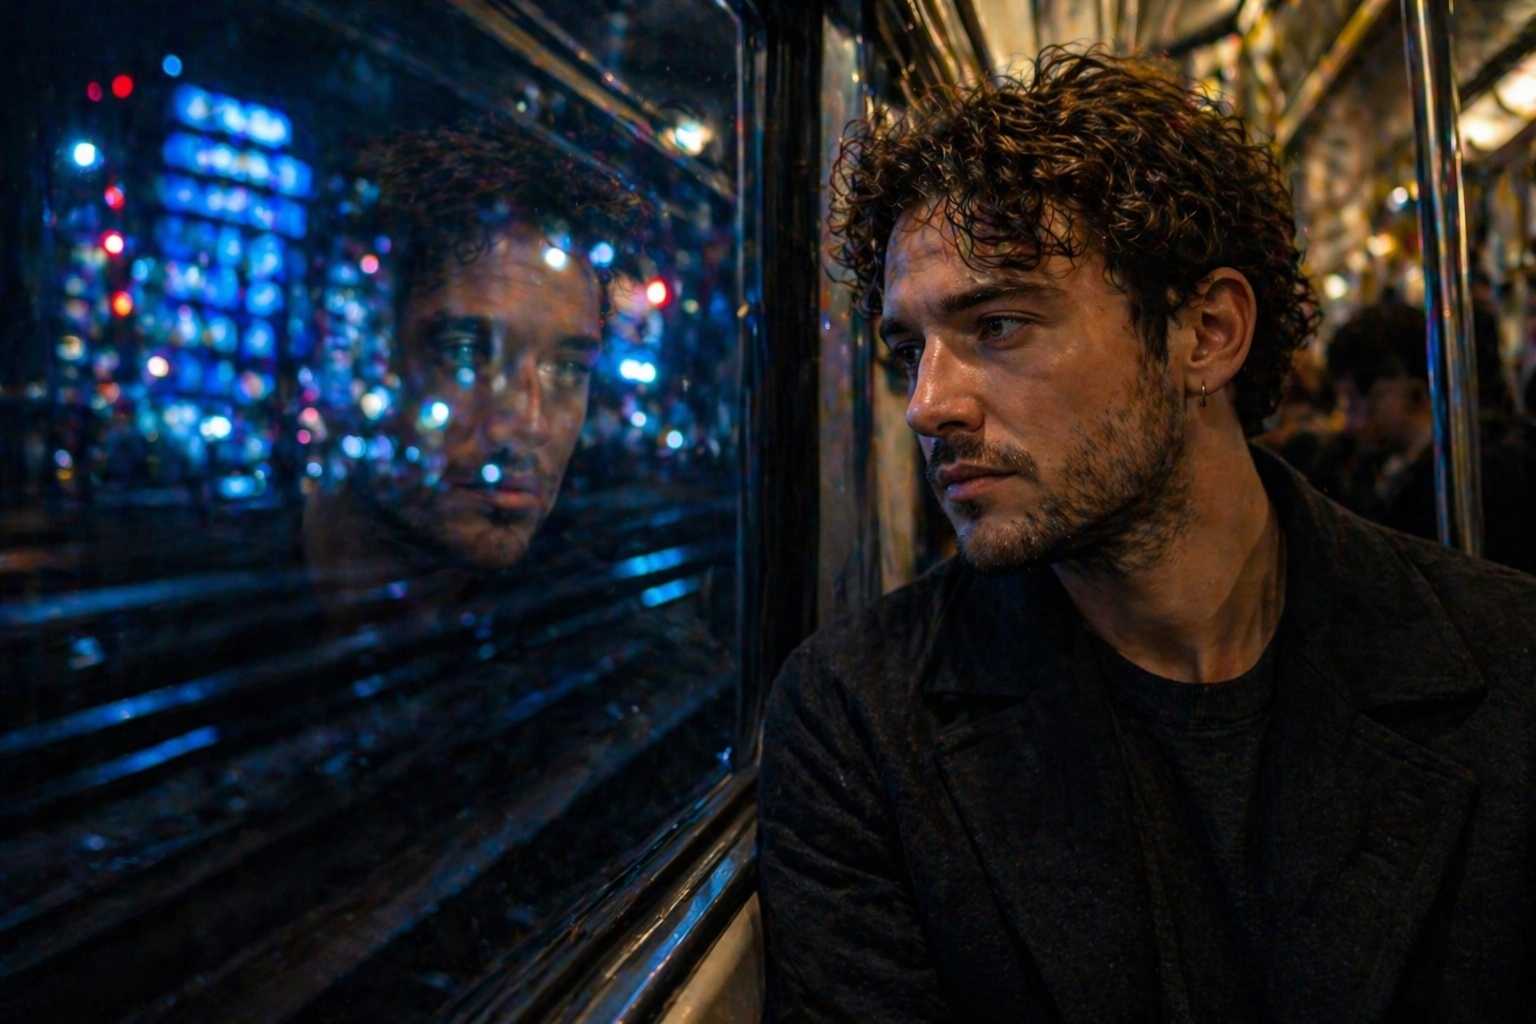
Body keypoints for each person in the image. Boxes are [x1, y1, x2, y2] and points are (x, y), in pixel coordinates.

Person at [758, 47, 1536, 1022]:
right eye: (908, 349)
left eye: (997, 325)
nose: (927, 404)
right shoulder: (861, 721)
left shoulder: (1506, 664)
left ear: (1205, 332)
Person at [304, 119, 637, 612]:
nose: (528, 423)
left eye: (568, 369)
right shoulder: (213, 608)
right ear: (368, 355)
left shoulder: (599, 630)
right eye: (464, 354)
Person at [1327, 298, 1536, 575]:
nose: (1351, 422)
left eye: (1357, 400)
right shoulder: (1379, 470)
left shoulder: (1474, 475)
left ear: (1411, 390)